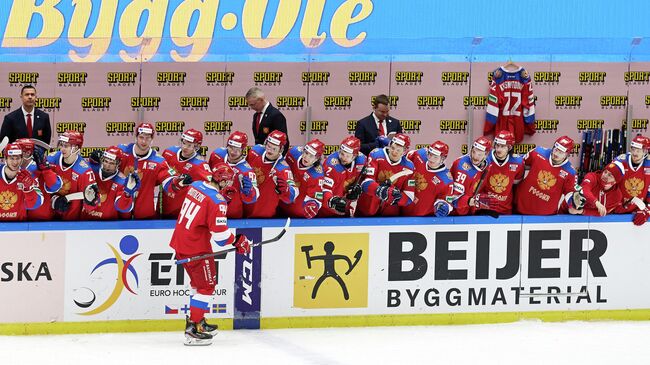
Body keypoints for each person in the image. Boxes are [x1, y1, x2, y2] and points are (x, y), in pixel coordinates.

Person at [169, 166, 252, 346]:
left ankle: (198, 321)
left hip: (181, 242)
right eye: (228, 181)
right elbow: (221, 237)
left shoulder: (197, 185)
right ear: (222, 181)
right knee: (207, 287)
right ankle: (193, 330)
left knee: (197, 285)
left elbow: (203, 212)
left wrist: (223, 204)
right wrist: (238, 241)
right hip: (196, 249)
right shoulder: (217, 200)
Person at [117, 123, 180, 219]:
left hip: (145, 215)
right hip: (120, 212)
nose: (144, 141)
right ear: (136, 137)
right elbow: (106, 166)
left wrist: (178, 182)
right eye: (141, 137)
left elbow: (168, 182)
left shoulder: (159, 161)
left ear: (152, 140)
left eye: (148, 138)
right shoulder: (122, 151)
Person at [514, 136, 579, 215]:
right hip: (520, 206)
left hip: (545, 216)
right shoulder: (537, 152)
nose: (556, 153)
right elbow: (520, 163)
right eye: (555, 149)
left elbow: (570, 194)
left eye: (560, 152)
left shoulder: (571, 173)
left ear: (567, 154)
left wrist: (574, 203)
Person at [357, 133, 415, 217]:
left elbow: (409, 196)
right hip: (367, 207)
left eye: (398, 150)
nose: (394, 152)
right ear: (389, 145)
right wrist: (380, 190)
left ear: (404, 151)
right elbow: (366, 183)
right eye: (393, 148)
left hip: (390, 212)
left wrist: (398, 198)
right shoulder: (376, 154)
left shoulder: (409, 166)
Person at [47, 131, 100, 220]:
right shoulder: (52, 159)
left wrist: (91, 201)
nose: (62, 149)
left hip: (71, 220)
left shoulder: (84, 171)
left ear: (75, 148)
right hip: (48, 217)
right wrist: (53, 200)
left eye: (66, 146)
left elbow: (93, 201)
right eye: (61, 145)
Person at [245, 130, 298, 218]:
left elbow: (293, 194)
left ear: (281, 149)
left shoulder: (283, 169)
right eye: (269, 146)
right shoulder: (255, 151)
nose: (270, 151)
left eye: (274, 149)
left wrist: (287, 190)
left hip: (264, 215)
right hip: (244, 211)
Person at [161, 129, 212, 218]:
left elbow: (210, 187)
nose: (185, 147)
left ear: (197, 146)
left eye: (189, 145)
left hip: (182, 213)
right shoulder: (169, 153)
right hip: (163, 207)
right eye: (184, 143)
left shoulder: (200, 165)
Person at [208, 131, 258, 218]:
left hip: (232, 215)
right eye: (231, 147)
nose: (233, 152)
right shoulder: (216, 155)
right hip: (211, 210)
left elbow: (254, 196)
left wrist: (251, 192)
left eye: (237, 149)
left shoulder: (247, 171)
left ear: (243, 150)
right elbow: (208, 179)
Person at [475, 130, 525, 215]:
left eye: (502, 146)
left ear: (509, 147)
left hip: (505, 209)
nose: (498, 149)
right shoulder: (485, 158)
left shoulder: (518, 163)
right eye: (497, 145)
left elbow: (516, 186)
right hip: (484, 208)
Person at [401, 140, 454, 217]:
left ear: (443, 158)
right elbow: (403, 159)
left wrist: (444, 206)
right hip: (400, 210)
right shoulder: (419, 154)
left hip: (422, 219)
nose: (431, 159)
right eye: (430, 154)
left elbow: (447, 200)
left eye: (435, 157)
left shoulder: (446, 179)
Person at [83, 146, 136, 220]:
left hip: (108, 226)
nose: (107, 166)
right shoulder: (90, 170)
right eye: (106, 161)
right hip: (84, 222)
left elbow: (123, 208)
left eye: (111, 163)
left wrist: (128, 193)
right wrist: (90, 159)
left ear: (118, 163)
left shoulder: (122, 182)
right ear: (102, 160)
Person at [15, 138, 62, 221]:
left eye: (18, 151)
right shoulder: (11, 169)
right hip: (18, 219)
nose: (14, 155)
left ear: (28, 153)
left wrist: (45, 168)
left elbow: (55, 187)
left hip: (40, 219)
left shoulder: (39, 168)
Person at [320, 136, 367, 217]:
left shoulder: (362, 161)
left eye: (347, 156)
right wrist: (331, 201)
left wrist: (358, 189)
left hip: (346, 208)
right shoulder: (331, 165)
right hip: (327, 211)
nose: (343, 158)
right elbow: (324, 189)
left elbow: (365, 181)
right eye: (342, 154)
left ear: (355, 156)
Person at [280, 138, 325, 219]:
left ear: (317, 159)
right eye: (306, 153)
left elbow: (315, 198)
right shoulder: (293, 153)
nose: (306, 157)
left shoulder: (317, 175)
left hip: (298, 216)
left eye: (311, 156)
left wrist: (312, 206)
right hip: (280, 206)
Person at [449, 136, 494, 216]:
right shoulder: (462, 166)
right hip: (456, 214)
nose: (475, 157)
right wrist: (471, 201)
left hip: (471, 211)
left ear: (486, 155)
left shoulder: (487, 163)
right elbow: (453, 199)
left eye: (479, 154)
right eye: (473, 152)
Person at [0, 143, 43, 221]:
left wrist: (29, 190)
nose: (15, 162)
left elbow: (36, 204)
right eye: (12, 158)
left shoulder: (28, 176)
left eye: (18, 158)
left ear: (22, 159)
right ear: (5, 159)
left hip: (19, 228)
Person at [612, 135, 650, 220]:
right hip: (617, 209)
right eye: (633, 149)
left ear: (645, 152)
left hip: (638, 210)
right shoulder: (620, 161)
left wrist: (647, 210)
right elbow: (609, 184)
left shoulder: (649, 165)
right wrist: (614, 204)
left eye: (638, 150)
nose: (635, 153)